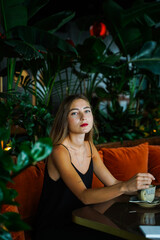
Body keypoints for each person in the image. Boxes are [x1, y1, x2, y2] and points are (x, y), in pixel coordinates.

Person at [34, 94, 157, 239]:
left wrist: (147, 191)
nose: (83, 117)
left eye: (87, 111)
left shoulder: (89, 147)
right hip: (56, 226)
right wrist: (125, 186)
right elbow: (84, 196)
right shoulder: (59, 151)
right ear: (64, 120)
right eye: (75, 113)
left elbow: (113, 183)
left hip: (82, 219)